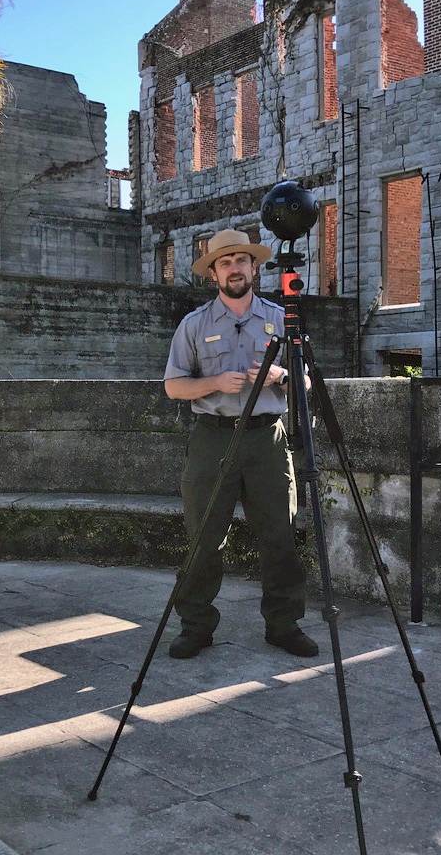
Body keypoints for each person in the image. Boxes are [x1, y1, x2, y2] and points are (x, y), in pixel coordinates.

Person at [162, 228, 318, 660]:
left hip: (267, 439)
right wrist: (214, 382)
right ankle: (195, 626)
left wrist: (281, 377)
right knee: (203, 536)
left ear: (255, 267)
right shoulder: (193, 325)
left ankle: (284, 624)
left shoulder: (280, 320)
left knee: (280, 536)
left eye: (241, 261)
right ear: (213, 273)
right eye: (225, 262)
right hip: (213, 440)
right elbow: (174, 387)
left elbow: (305, 382)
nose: (234, 269)